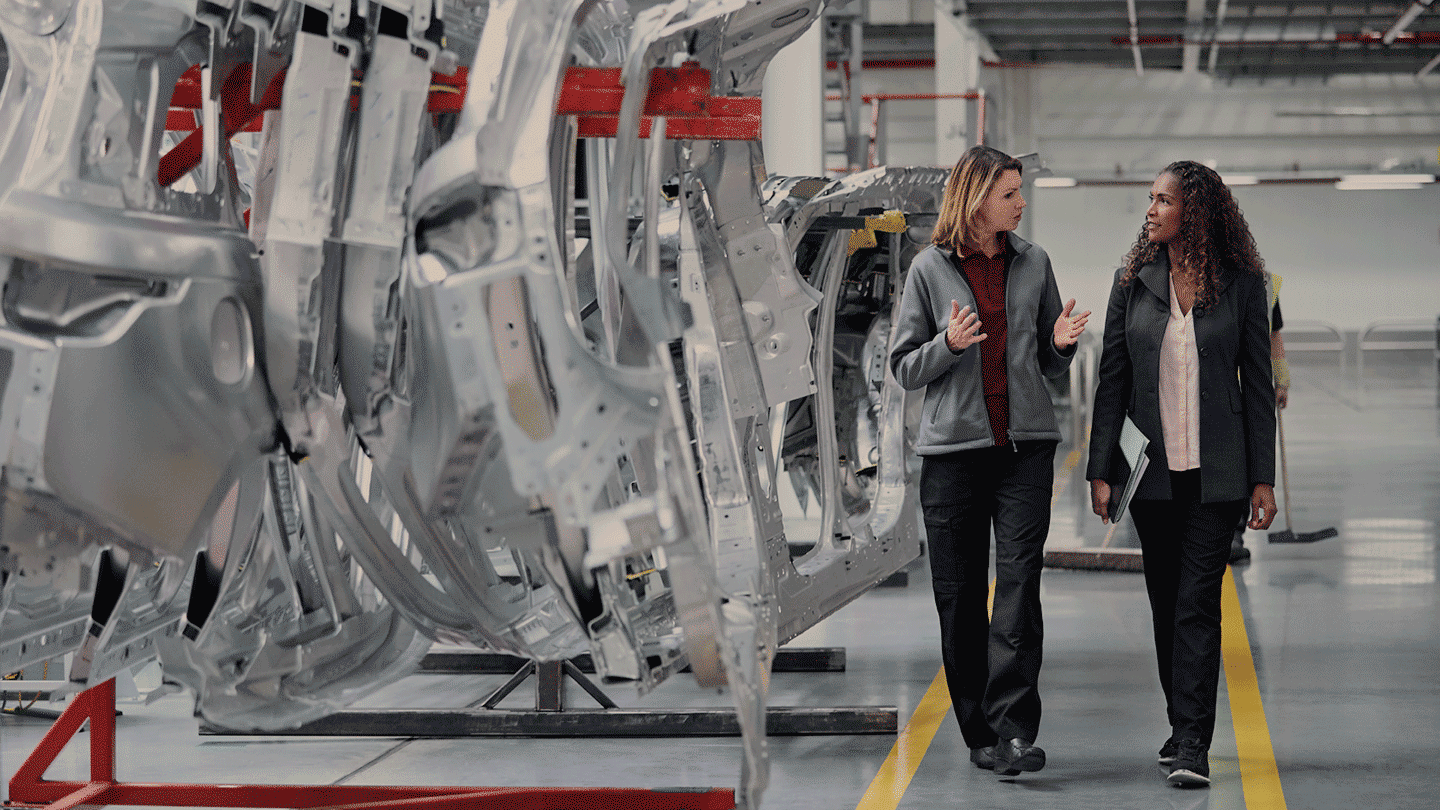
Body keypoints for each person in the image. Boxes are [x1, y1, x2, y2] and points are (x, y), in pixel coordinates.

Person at [889, 145, 1089, 777]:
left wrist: (1059, 345)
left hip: (1025, 449)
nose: (1021, 202)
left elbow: (1050, 364)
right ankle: (978, 731)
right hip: (953, 456)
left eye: (1020, 191)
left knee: (1019, 588)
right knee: (960, 596)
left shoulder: (1035, 263)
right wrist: (946, 345)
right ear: (975, 199)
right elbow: (903, 366)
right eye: (1010, 193)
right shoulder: (927, 269)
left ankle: (1015, 732)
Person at [1086, 160, 1277, 788]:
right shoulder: (1132, 282)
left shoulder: (1246, 284)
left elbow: (1256, 387)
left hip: (1217, 475)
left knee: (1197, 603)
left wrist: (1262, 478)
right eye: (1150, 199)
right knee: (1166, 604)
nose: (1151, 209)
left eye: (1164, 200)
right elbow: (1113, 378)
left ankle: (1194, 743)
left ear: (1193, 210)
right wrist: (1100, 469)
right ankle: (1181, 723)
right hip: (1152, 475)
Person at [1230, 289, 1288, 563]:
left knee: (1244, 459)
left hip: (1251, 385)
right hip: (1222, 383)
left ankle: (1235, 533)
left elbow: (1273, 335)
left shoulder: (1263, 284)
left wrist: (1282, 378)